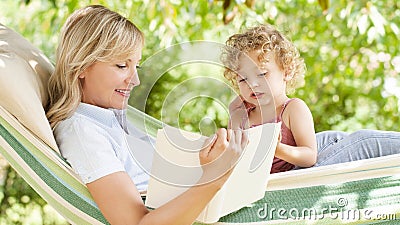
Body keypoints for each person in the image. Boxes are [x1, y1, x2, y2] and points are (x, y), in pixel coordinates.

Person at [46, 5, 248, 225]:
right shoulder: (83, 133)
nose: (135, 81)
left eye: (136, 67)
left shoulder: (109, 116)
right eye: (122, 65)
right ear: (81, 67)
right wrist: (215, 176)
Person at [221, 24, 400, 173]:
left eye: (261, 74)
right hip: (288, 179)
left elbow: (309, 156)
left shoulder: (292, 109)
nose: (252, 84)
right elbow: (234, 159)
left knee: (337, 138)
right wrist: (235, 118)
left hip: (300, 165)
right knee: (358, 141)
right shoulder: (244, 116)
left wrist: (277, 149)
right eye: (243, 79)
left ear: (287, 71)